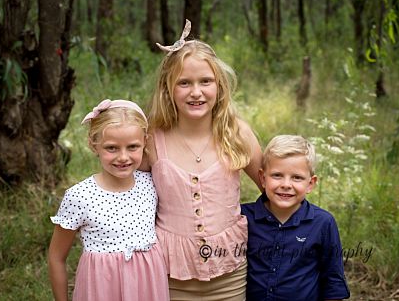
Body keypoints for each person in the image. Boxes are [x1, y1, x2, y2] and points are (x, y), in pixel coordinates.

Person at [141, 20, 264, 300]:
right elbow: (128, 196)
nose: (196, 92)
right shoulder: (151, 138)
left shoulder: (236, 133)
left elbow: (271, 188)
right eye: (184, 83)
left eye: (205, 82)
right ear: (168, 89)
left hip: (230, 273)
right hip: (169, 274)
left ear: (219, 86)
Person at [48, 99, 169, 301]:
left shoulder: (152, 183)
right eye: (112, 148)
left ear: (145, 143)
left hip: (148, 285)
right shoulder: (80, 196)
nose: (123, 157)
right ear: (93, 145)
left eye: (132, 147)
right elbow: (56, 257)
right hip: (102, 287)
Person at [241, 135, 349, 300]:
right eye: (277, 175)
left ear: (310, 184)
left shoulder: (322, 223)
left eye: (297, 177)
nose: (286, 184)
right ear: (263, 178)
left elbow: (333, 280)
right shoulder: (244, 217)